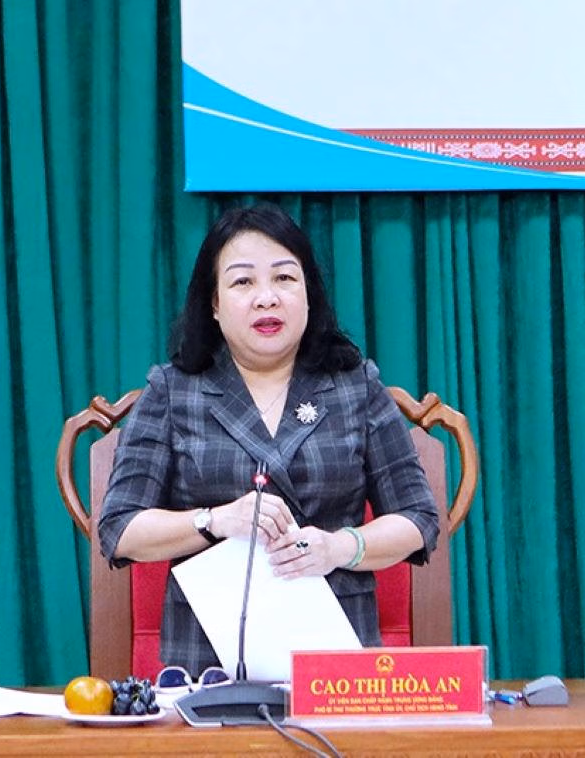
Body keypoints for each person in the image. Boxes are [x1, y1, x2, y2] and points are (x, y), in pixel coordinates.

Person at [97, 202, 439, 677]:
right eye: (242, 282)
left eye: (284, 278)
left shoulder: (355, 385)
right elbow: (119, 530)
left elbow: (419, 520)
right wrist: (216, 520)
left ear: (309, 295)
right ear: (214, 305)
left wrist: (339, 547)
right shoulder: (173, 391)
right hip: (208, 661)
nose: (266, 298)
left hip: (335, 660)